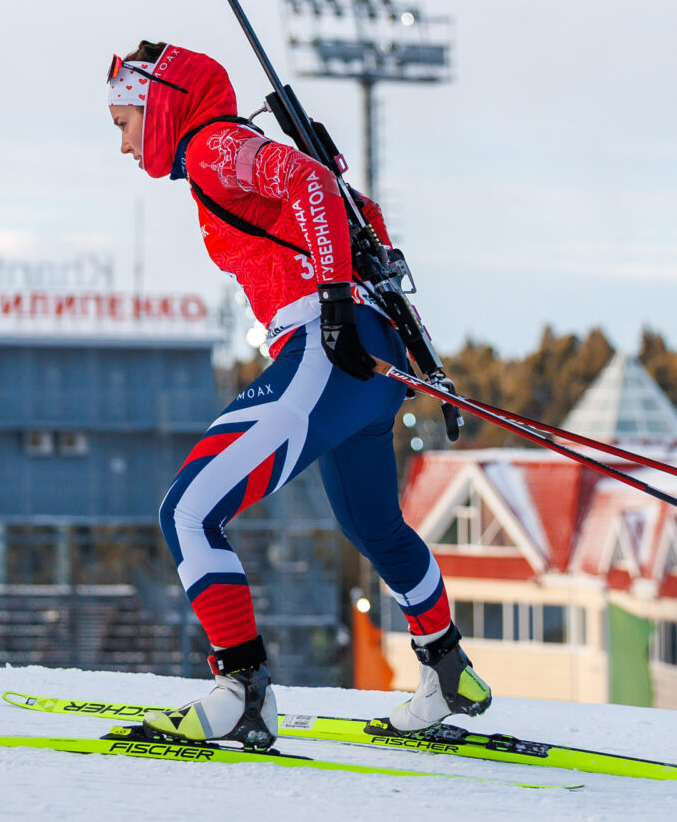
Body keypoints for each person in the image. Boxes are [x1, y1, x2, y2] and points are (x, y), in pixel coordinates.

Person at [106, 41, 490, 748]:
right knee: (375, 527)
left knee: (188, 510)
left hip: (325, 345)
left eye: (125, 123)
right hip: (366, 358)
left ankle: (242, 692)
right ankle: (448, 670)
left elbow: (310, 181)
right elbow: (360, 211)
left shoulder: (214, 146)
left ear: (159, 106)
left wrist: (335, 302)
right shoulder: (222, 152)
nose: (125, 145)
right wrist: (401, 339)